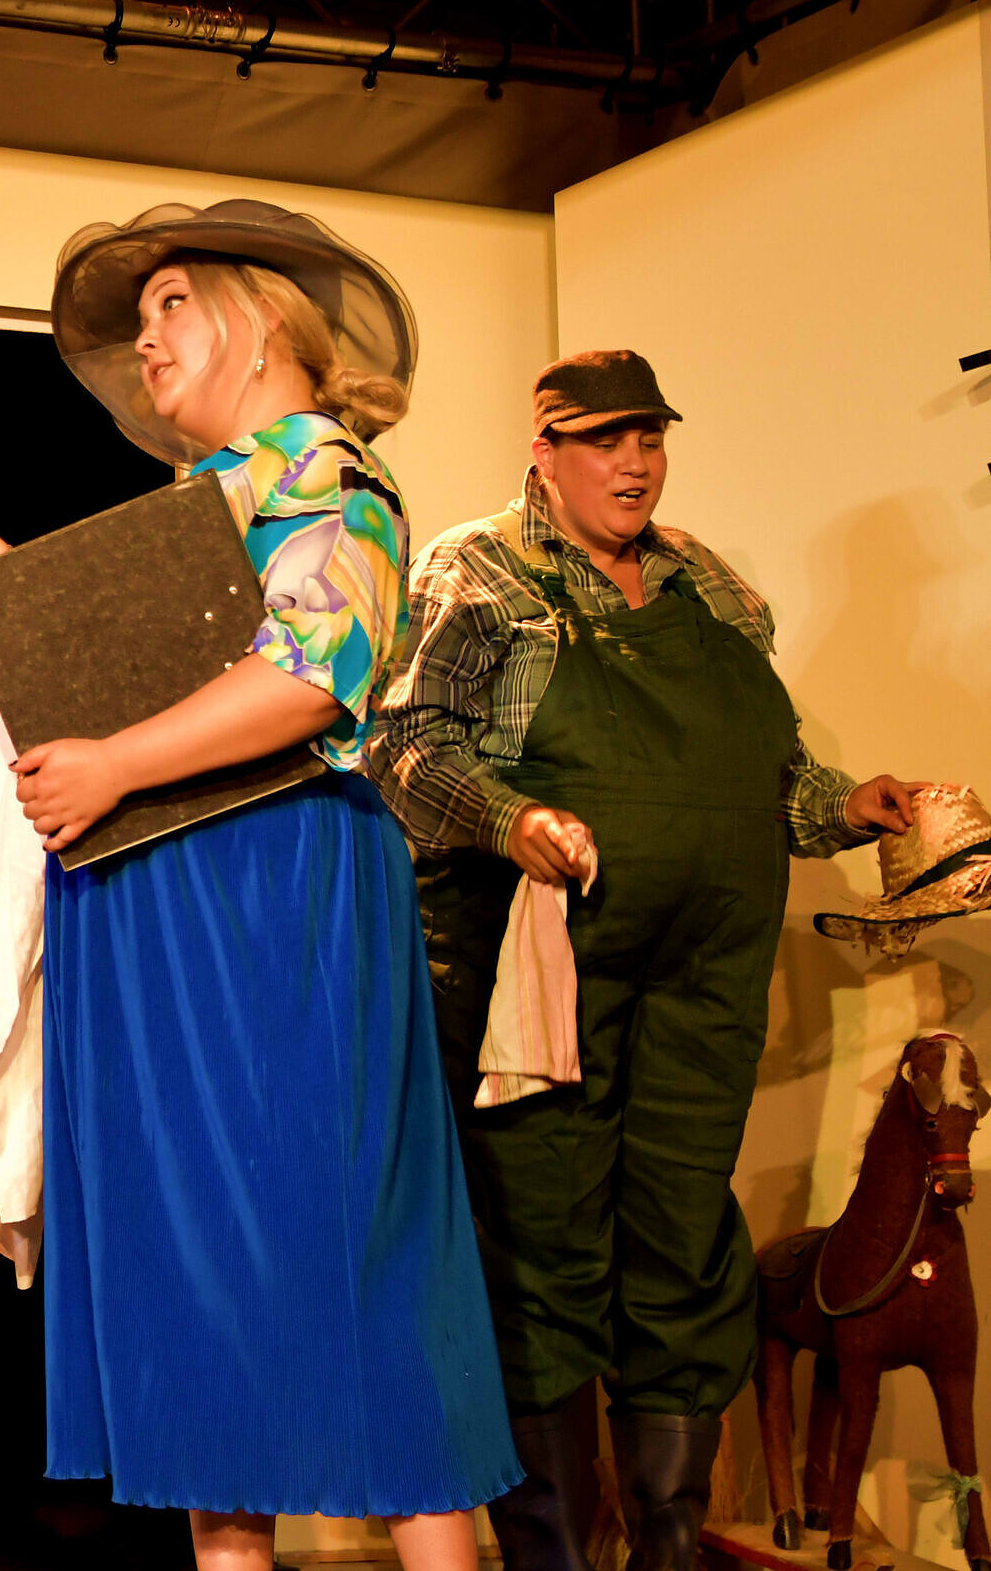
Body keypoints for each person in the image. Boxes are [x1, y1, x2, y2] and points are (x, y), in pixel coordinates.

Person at [0, 200, 517, 1571]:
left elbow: (309, 675)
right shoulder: (201, 502)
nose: (146, 340)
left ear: (262, 320)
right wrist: (3, 574)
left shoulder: (329, 477)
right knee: (199, 1294)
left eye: (172, 304)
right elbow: (157, 658)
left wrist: (110, 764)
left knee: (353, 1269)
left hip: (271, 897)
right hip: (161, 899)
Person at [368, 349, 916, 1571]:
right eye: (606, 442)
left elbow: (771, 776)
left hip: (702, 977)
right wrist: (511, 818)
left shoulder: (710, 586)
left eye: (650, 439)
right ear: (545, 451)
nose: (634, 464)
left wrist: (845, 805)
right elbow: (402, 745)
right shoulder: (475, 572)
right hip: (535, 980)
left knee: (682, 1238)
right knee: (540, 1239)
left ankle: (667, 1546)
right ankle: (559, 1552)